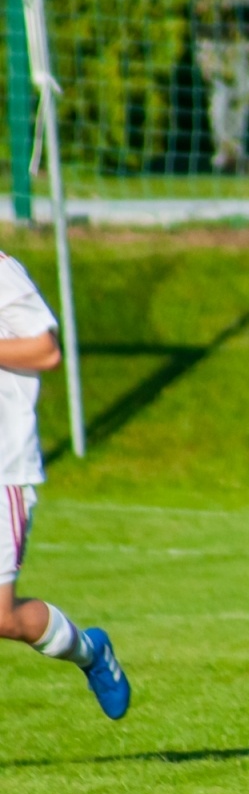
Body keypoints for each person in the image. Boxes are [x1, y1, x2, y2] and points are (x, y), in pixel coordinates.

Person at [0, 250, 131, 719]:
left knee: (2, 617)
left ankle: (90, 652)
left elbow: (45, 348)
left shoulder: (1, 272)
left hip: (3, 472)